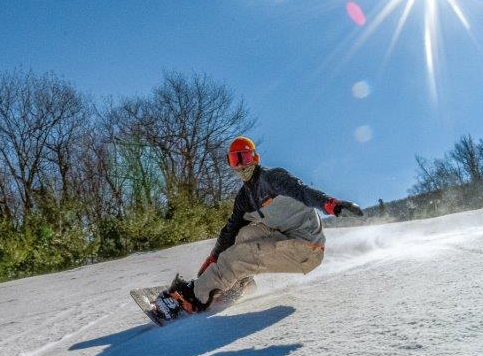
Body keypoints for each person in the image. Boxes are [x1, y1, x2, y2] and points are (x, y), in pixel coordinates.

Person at [153, 137, 363, 320]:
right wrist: (213, 258)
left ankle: (193, 300)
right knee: (244, 235)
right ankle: (237, 285)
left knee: (241, 255)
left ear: (255, 158)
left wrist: (330, 203)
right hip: (286, 239)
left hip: (308, 248)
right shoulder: (245, 198)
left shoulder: (272, 179)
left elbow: (303, 192)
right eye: (235, 160)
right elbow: (230, 230)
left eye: (244, 158)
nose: (241, 166)